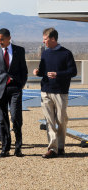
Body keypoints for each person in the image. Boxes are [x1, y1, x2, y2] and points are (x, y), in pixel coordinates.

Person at [33, 27, 77, 158]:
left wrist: (58, 74)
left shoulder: (66, 54)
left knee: (61, 120)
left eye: (45, 39)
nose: (43, 42)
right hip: (45, 91)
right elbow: (42, 71)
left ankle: (61, 147)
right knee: (49, 121)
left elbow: (73, 72)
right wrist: (37, 72)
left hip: (60, 92)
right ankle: (52, 149)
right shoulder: (45, 54)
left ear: (53, 39)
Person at [0, 28, 28, 158]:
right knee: (2, 120)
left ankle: (18, 148)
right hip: (0, 90)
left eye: (2, 39)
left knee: (16, 117)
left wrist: (21, 84)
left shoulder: (19, 50)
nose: (0, 42)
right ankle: (5, 148)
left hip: (15, 89)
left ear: (9, 38)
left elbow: (24, 70)